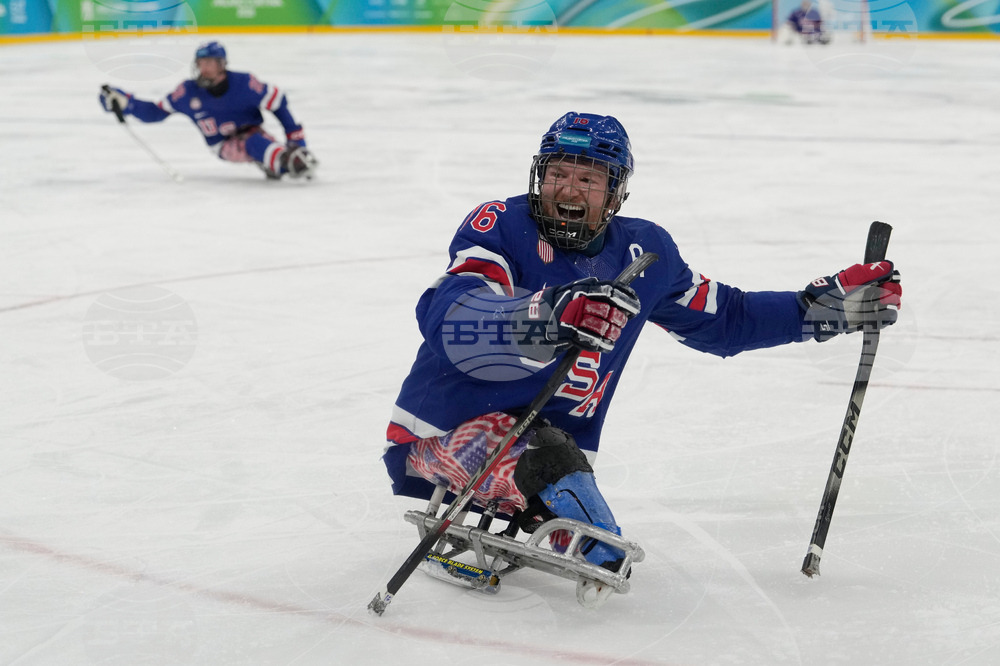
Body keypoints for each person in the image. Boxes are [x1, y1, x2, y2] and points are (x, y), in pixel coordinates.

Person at [382, 112, 901, 585]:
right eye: (560, 173)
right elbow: (452, 315)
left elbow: (726, 319)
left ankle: (540, 496)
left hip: (548, 447)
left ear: (615, 193)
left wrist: (819, 310)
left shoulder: (646, 252)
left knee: (600, 548)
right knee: (593, 536)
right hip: (445, 435)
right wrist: (550, 314)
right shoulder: (499, 226)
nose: (569, 189)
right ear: (540, 177)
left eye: (588, 179)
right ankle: (536, 489)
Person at [99, 41, 317, 180]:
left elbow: (278, 103)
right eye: (201, 63)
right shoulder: (186, 92)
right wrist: (126, 102)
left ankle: (280, 159)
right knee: (254, 144)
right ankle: (286, 163)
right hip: (222, 144)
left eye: (210, 63)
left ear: (222, 64)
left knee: (256, 142)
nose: (204, 68)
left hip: (253, 131)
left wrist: (297, 142)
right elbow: (155, 113)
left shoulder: (244, 83)